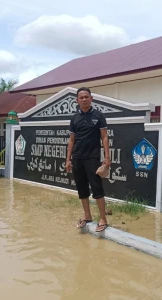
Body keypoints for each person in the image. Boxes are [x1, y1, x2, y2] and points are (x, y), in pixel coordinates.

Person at [65, 87, 111, 232]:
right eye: (81, 97)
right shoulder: (74, 118)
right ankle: (87, 215)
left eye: (86, 97)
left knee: (97, 187)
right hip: (77, 158)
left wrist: (107, 157)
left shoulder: (98, 116)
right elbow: (71, 140)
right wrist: (68, 159)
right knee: (81, 188)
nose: (84, 99)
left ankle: (103, 218)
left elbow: (104, 136)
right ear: (77, 100)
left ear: (91, 99)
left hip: (93, 157)